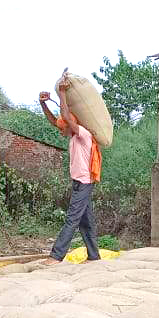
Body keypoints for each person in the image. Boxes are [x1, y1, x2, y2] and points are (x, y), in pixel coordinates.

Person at [39, 82, 101, 263]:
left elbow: (65, 115)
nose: (60, 129)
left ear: (71, 124)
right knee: (85, 221)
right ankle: (94, 256)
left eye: (63, 126)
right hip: (79, 182)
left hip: (84, 182)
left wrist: (62, 93)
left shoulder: (83, 134)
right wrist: (43, 103)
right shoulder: (73, 137)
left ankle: (56, 256)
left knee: (72, 219)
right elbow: (54, 121)